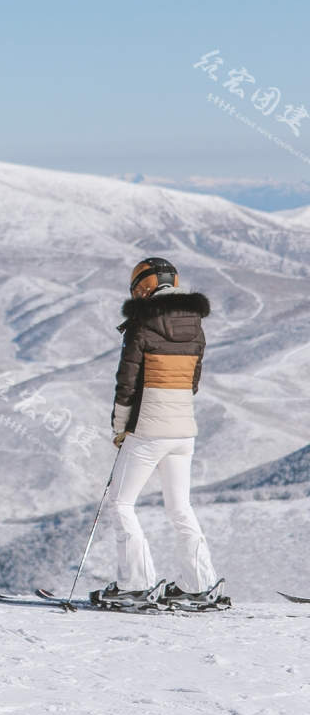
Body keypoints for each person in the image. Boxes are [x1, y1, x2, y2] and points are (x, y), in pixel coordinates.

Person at [98, 257, 227, 610]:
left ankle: (135, 584)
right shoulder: (196, 326)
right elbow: (194, 383)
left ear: (145, 286)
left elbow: (126, 384)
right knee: (180, 507)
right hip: (184, 431)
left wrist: (119, 428)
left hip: (148, 429)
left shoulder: (142, 325)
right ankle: (199, 584)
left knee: (121, 503)